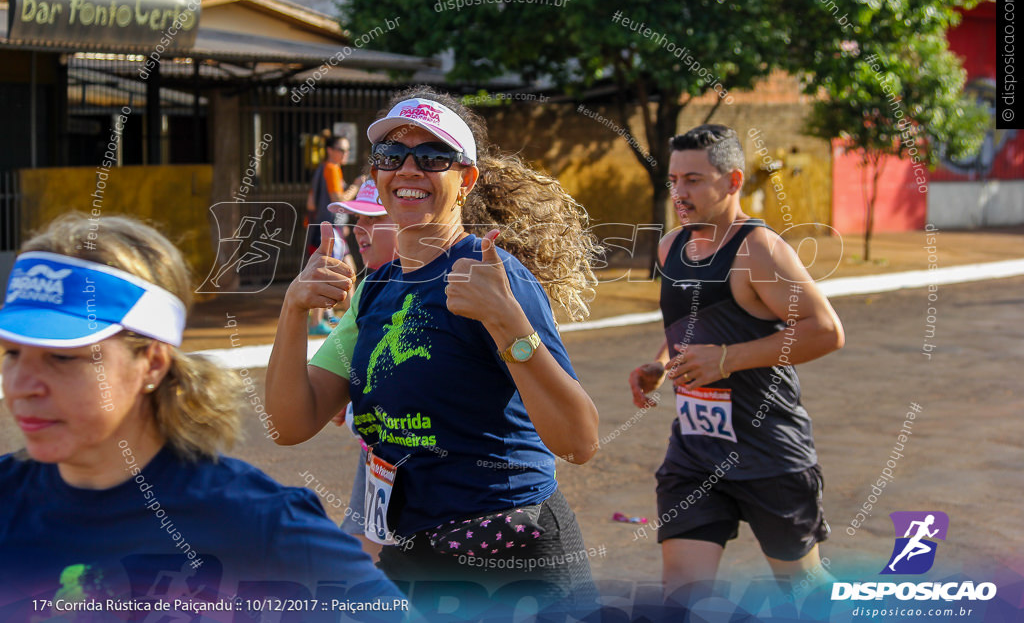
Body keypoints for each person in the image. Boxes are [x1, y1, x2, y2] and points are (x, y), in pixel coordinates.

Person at [266, 87, 602, 615]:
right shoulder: (378, 290)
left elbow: (579, 440)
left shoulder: (494, 274)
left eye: (433, 157)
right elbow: (290, 425)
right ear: (376, 173)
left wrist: (507, 321)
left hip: (513, 550)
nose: (408, 169)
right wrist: (292, 313)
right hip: (418, 555)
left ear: (465, 179)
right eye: (392, 156)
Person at [0, 213, 406, 616]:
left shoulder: (259, 523)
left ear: (153, 363)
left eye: (61, 358)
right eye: (13, 353)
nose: (21, 385)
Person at [627, 125, 845, 606]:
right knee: (682, 596)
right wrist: (660, 364)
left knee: (804, 591)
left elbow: (825, 330)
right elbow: (691, 324)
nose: (680, 193)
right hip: (695, 452)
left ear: (733, 181)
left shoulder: (758, 250)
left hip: (769, 450)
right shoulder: (672, 248)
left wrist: (728, 359)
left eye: (695, 180)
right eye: (675, 180)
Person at [321, 178, 399, 560]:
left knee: (367, 559)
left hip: (410, 455)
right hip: (378, 455)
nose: (358, 231)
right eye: (357, 220)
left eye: (373, 220)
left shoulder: (432, 289)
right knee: (361, 553)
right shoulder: (372, 286)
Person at [306, 133, 361, 335]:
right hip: (329, 230)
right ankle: (321, 322)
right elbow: (340, 199)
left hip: (325, 228)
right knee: (334, 274)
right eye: (342, 150)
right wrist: (356, 185)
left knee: (344, 271)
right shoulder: (332, 169)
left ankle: (347, 317)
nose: (346, 153)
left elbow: (311, 203)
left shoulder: (321, 169)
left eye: (347, 150)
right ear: (330, 151)